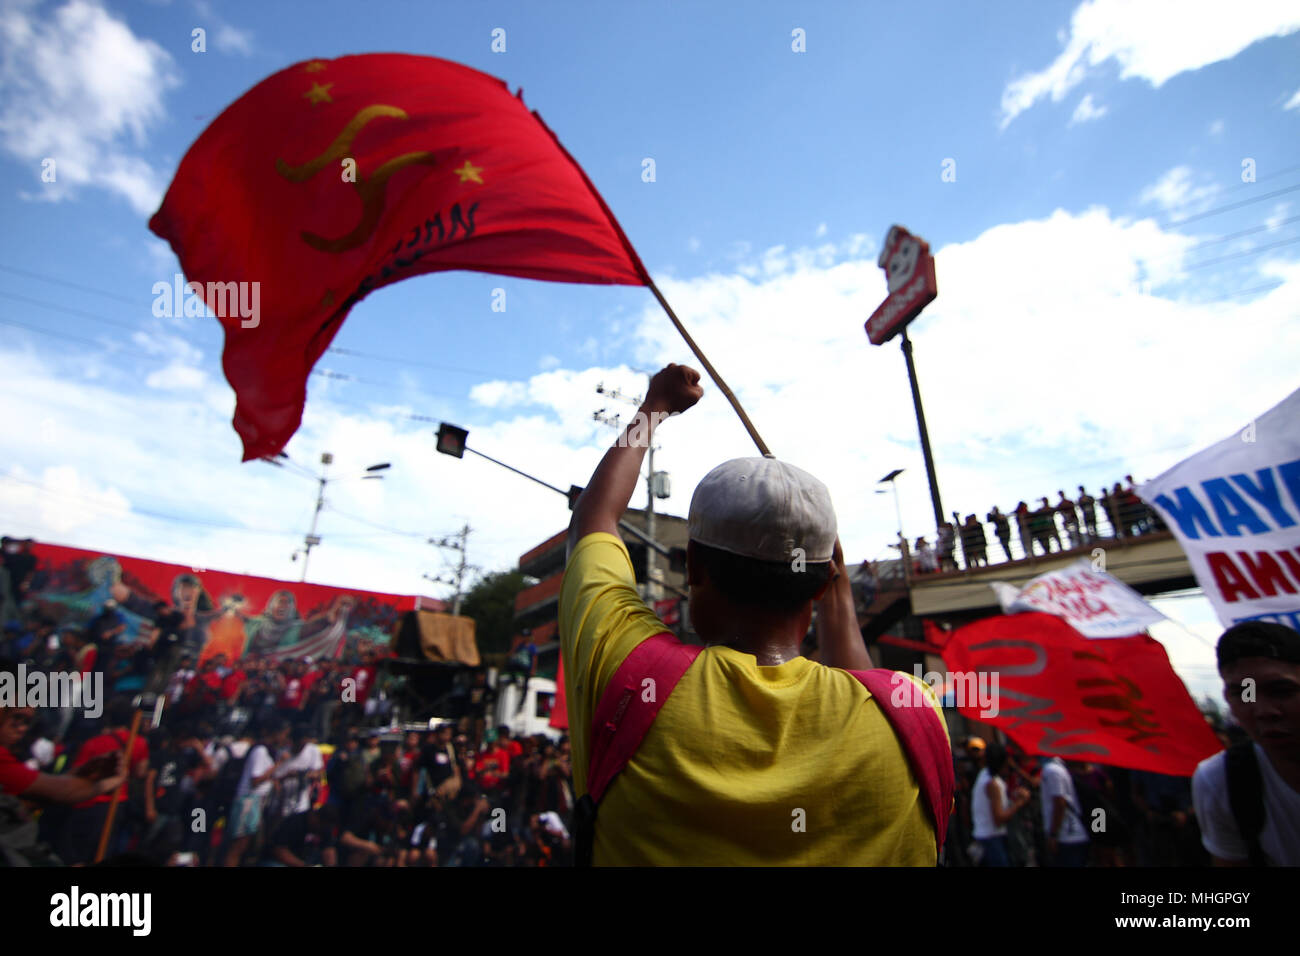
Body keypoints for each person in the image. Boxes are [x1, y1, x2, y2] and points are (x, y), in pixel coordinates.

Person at [560, 363, 950, 865]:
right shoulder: (913, 714)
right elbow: (866, 687)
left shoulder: (627, 670)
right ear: (823, 581)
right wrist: (837, 592)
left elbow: (594, 519)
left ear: (693, 565)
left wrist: (653, 409)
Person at [1191, 621, 1300, 866]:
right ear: (1228, 698)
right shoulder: (1222, 779)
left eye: (1282, 691)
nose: (1263, 711)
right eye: (1244, 693)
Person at [970, 742, 1031, 866]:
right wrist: (1020, 802)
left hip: (986, 837)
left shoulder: (985, 775)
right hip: (992, 838)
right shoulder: (992, 784)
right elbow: (999, 818)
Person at [1040, 755, 1089, 866]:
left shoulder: (1052, 770)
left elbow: (1059, 803)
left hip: (1068, 836)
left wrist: (1053, 834)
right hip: (1071, 835)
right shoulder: (1059, 768)